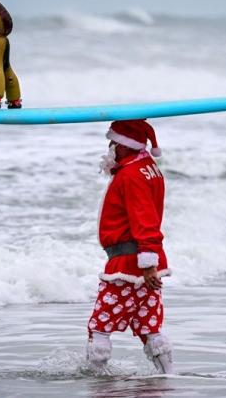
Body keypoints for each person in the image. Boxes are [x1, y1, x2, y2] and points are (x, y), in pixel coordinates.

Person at [86, 119, 175, 374]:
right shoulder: (149, 168)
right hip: (146, 262)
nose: (110, 147)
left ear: (125, 145)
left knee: (100, 325)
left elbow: (144, 218)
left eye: (113, 142)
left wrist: (147, 266)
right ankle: (169, 377)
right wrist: (151, 264)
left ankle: (95, 379)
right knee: (149, 325)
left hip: (128, 264)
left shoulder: (131, 175)